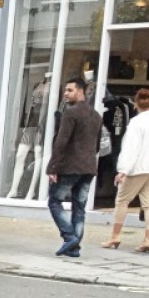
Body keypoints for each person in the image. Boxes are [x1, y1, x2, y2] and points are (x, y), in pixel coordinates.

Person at [102, 87, 149, 254]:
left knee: (122, 201)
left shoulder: (136, 123)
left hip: (137, 168)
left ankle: (115, 236)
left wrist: (123, 170)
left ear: (136, 104)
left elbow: (131, 148)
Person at [46, 76, 102, 258]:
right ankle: (74, 248)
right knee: (79, 208)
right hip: (89, 168)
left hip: (70, 167)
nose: (65, 94)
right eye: (65, 90)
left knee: (54, 201)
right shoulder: (96, 115)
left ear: (80, 91)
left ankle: (69, 237)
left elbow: (61, 142)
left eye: (69, 90)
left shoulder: (71, 113)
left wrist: (53, 167)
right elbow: (98, 145)